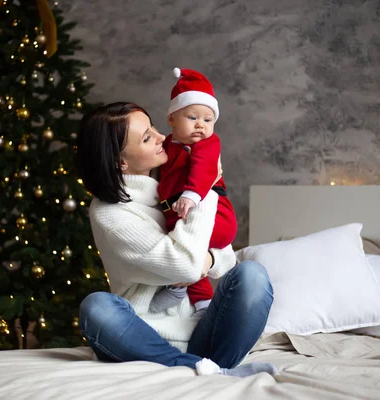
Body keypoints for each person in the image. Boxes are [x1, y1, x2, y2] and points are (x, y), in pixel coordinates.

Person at [76, 102, 276, 377]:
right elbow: (187, 267)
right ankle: (206, 371)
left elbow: (226, 259)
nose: (161, 137)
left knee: (252, 275)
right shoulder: (109, 213)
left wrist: (208, 258)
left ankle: (207, 368)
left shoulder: (174, 179)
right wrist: (205, 190)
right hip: (144, 339)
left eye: (153, 128)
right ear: (120, 162)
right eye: (147, 137)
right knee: (97, 308)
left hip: (204, 333)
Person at [150, 67, 237, 315]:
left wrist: (191, 195)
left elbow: (204, 169)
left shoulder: (207, 144)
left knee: (186, 252)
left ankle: (176, 288)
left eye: (207, 120)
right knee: (186, 251)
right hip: (179, 213)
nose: (201, 125)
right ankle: (203, 305)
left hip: (214, 213)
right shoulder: (167, 145)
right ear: (171, 120)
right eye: (192, 118)